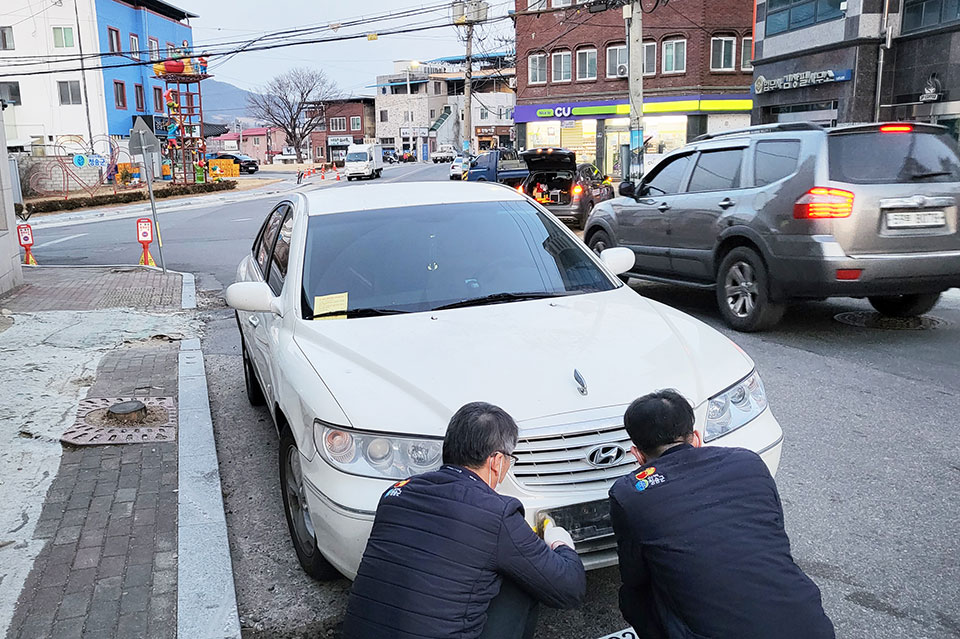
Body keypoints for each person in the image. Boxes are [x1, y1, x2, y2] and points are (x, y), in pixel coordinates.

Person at [341, 401, 586, 639]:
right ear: (497, 461)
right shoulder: (497, 513)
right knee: (524, 579)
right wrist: (560, 543)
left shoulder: (395, 495)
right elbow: (569, 589)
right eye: (510, 459)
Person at [609, 389, 835, 639]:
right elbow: (774, 531)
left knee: (633, 596)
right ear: (695, 437)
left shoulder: (628, 494)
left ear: (637, 455)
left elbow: (635, 576)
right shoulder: (748, 462)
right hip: (811, 628)